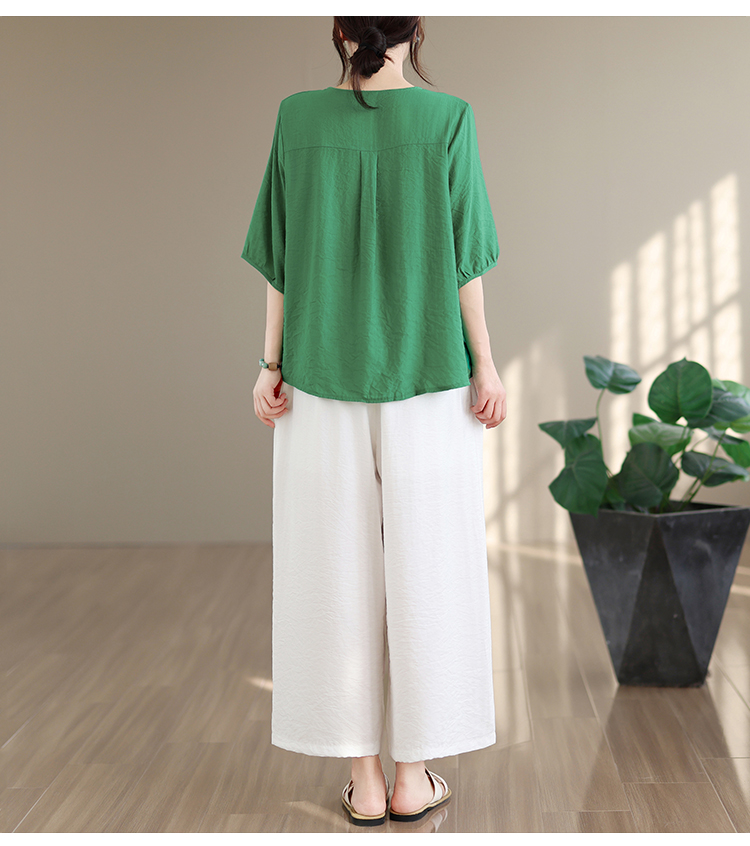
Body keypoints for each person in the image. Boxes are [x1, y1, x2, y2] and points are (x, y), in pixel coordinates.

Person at [242, 16, 507, 827]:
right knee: (432, 567)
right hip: (431, 374)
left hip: (318, 374)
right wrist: (486, 363)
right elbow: (464, 257)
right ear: (413, 32)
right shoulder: (449, 117)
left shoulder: (296, 117)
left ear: (339, 31)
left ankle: (362, 778)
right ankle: (412, 776)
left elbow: (279, 259)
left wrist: (269, 363)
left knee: (328, 568)